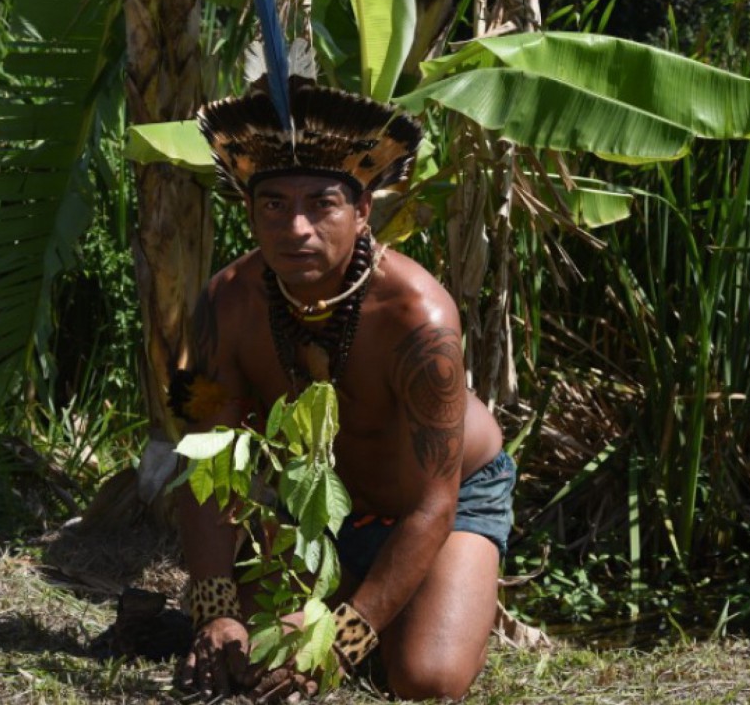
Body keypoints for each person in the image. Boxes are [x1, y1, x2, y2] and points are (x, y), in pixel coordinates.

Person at [170, 77, 516, 701]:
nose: (295, 227)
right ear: (250, 212)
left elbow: (432, 504)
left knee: (426, 681)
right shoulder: (231, 301)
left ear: (362, 212)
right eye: (273, 205)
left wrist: (344, 635)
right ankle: (348, 588)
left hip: (448, 503)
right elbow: (208, 459)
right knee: (243, 653)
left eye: (322, 204)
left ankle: (399, 607)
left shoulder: (418, 316)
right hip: (321, 512)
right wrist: (213, 606)